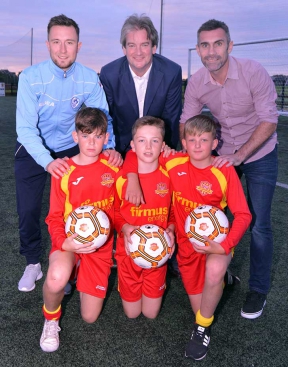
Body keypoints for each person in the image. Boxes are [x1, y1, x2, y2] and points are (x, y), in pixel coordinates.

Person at [180, 19, 278, 320]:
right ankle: (222, 274)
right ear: (198, 49)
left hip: (259, 153)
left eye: (218, 43)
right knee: (215, 217)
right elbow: (186, 121)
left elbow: (269, 120)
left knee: (258, 224)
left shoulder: (253, 71)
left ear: (229, 45)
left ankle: (258, 289)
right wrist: (188, 154)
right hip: (223, 157)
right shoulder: (197, 81)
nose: (212, 51)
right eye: (205, 45)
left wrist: (240, 155)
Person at [15, 14, 121, 293]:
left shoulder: (88, 77)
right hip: (35, 149)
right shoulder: (30, 77)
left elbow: (104, 118)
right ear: (48, 45)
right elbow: (25, 129)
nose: (63, 49)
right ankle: (32, 263)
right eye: (57, 42)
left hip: (71, 146)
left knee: (76, 206)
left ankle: (70, 262)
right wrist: (48, 162)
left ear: (79, 45)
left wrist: (109, 149)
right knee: (28, 210)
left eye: (69, 42)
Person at [164, 115, 251, 360]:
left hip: (218, 243)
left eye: (204, 139)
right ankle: (223, 280)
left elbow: (243, 214)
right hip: (186, 245)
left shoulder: (224, 171)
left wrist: (224, 246)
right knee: (200, 306)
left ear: (215, 143)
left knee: (209, 287)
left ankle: (201, 330)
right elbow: (140, 152)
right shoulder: (173, 163)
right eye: (192, 140)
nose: (198, 145)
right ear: (183, 142)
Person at [40, 107, 119, 352]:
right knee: (55, 280)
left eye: (97, 136)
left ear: (107, 138)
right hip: (69, 241)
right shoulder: (63, 170)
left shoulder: (115, 167)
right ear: (75, 137)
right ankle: (51, 320)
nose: (91, 142)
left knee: (89, 317)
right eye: (85, 136)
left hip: (100, 247)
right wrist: (64, 243)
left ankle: (77, 275)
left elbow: (120, 210)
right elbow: (53, 216)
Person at [114, 116, 175, 319]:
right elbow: (113, 212)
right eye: (141, 140)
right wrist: (123, 226)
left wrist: (172, 229)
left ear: (163, 145)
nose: (148, 146)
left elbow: (174, 210)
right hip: (128, 254)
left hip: (159, 255)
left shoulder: (169, 175)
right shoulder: (122, 179)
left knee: (150, 314)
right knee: (131, 314)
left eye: (154, 141)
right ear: (132, 145)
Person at [100, 14, 183, 156]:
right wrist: (110, 148)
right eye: (132, 45)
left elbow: (170, 119)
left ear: (154, 47)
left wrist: (164, 150)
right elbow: (106, 117)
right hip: (120, 147)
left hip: (157, 148)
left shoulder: (172, 72)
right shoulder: (109, 74)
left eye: (144, 45)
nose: (138, 52)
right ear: (124, 49)